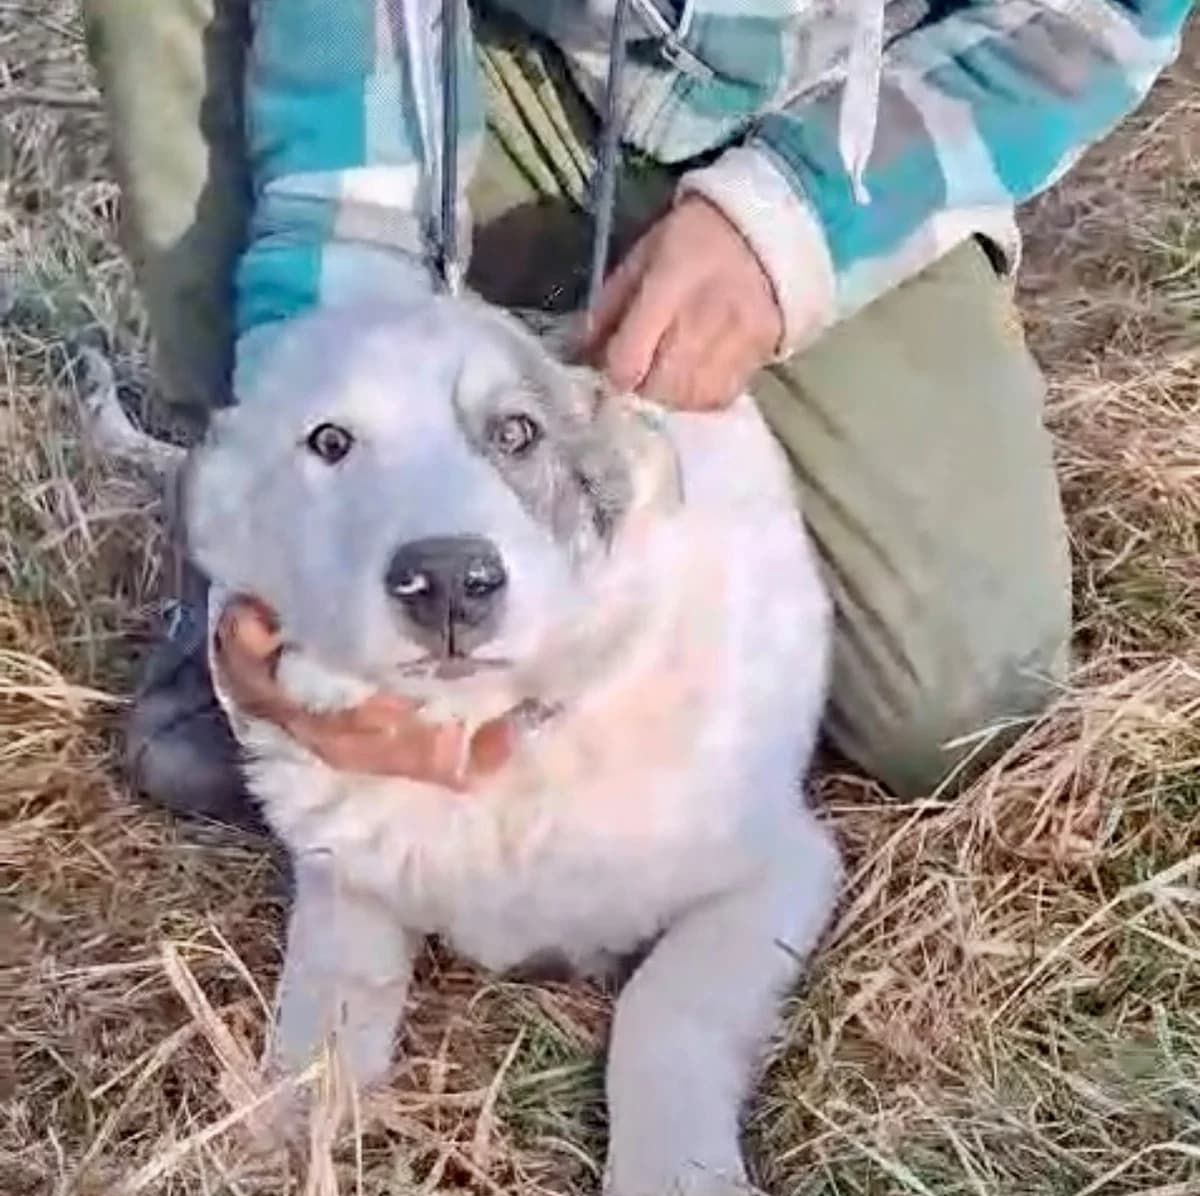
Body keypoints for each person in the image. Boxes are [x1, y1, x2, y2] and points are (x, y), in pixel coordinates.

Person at [83, 0, 1189, 825]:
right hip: (487, 70)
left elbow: (1096, 15)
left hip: (852, 121)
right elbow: (346, 118)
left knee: (964, 703)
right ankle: (227, 547)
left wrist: (790, 226)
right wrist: (298, 505)